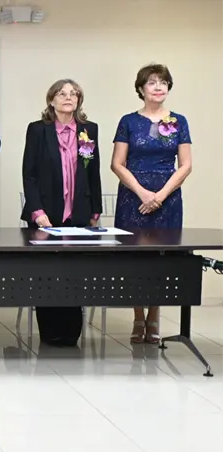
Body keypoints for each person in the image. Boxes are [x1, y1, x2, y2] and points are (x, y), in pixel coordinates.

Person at [111, 64, 192, 345]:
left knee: (162, 257)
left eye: (164, 82)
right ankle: (137, 316)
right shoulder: (128, 121)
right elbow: (117, 164)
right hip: (133, 197)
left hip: (167, 198)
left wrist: (160, 195)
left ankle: (155, 315)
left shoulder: (179, 121)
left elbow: (185, 165)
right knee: (135, 259)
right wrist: (143, 193)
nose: (159, 87)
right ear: (141, 89)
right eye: (152, 82)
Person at [21, 79, 103, 347]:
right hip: (46, 215)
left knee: (74, 273)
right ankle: (50, 331)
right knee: (47, 274)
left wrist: (95, 210)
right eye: (62, 93)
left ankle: (70, 332)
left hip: (79, 214)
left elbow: (93, 171)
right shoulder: (38, 130)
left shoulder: (88, 130)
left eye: (74, 94)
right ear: (51, 100)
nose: (69, 98)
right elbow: (29, 174)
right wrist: (36, 211)